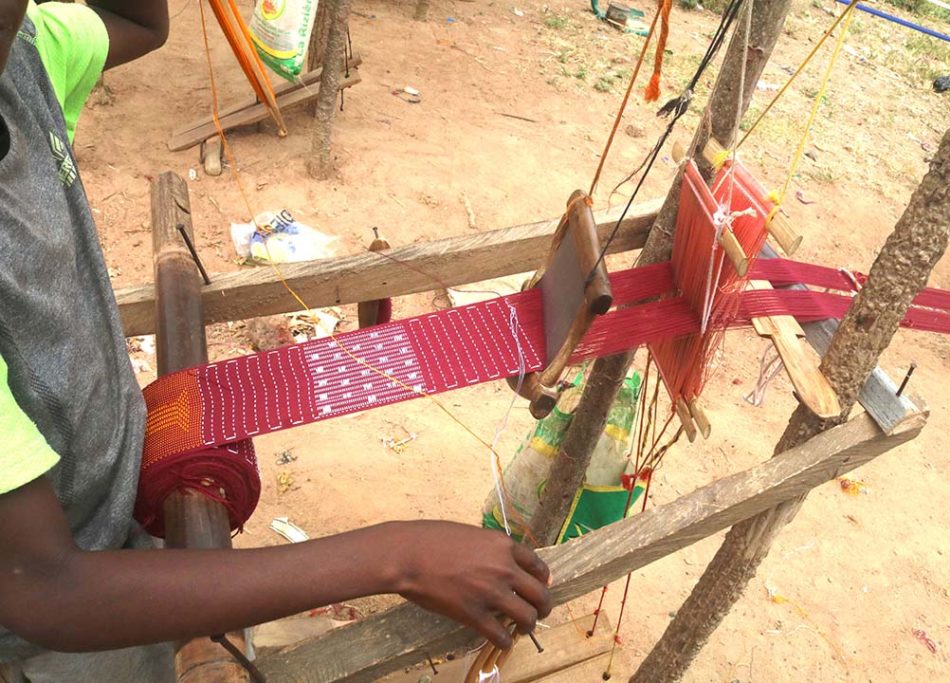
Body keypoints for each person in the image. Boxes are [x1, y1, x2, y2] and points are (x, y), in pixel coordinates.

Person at [0, 2, 552, 680]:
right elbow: (43, 587)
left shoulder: (25, 55)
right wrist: (398, 556)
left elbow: (139, 24)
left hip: (111, 502)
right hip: (64, 613)